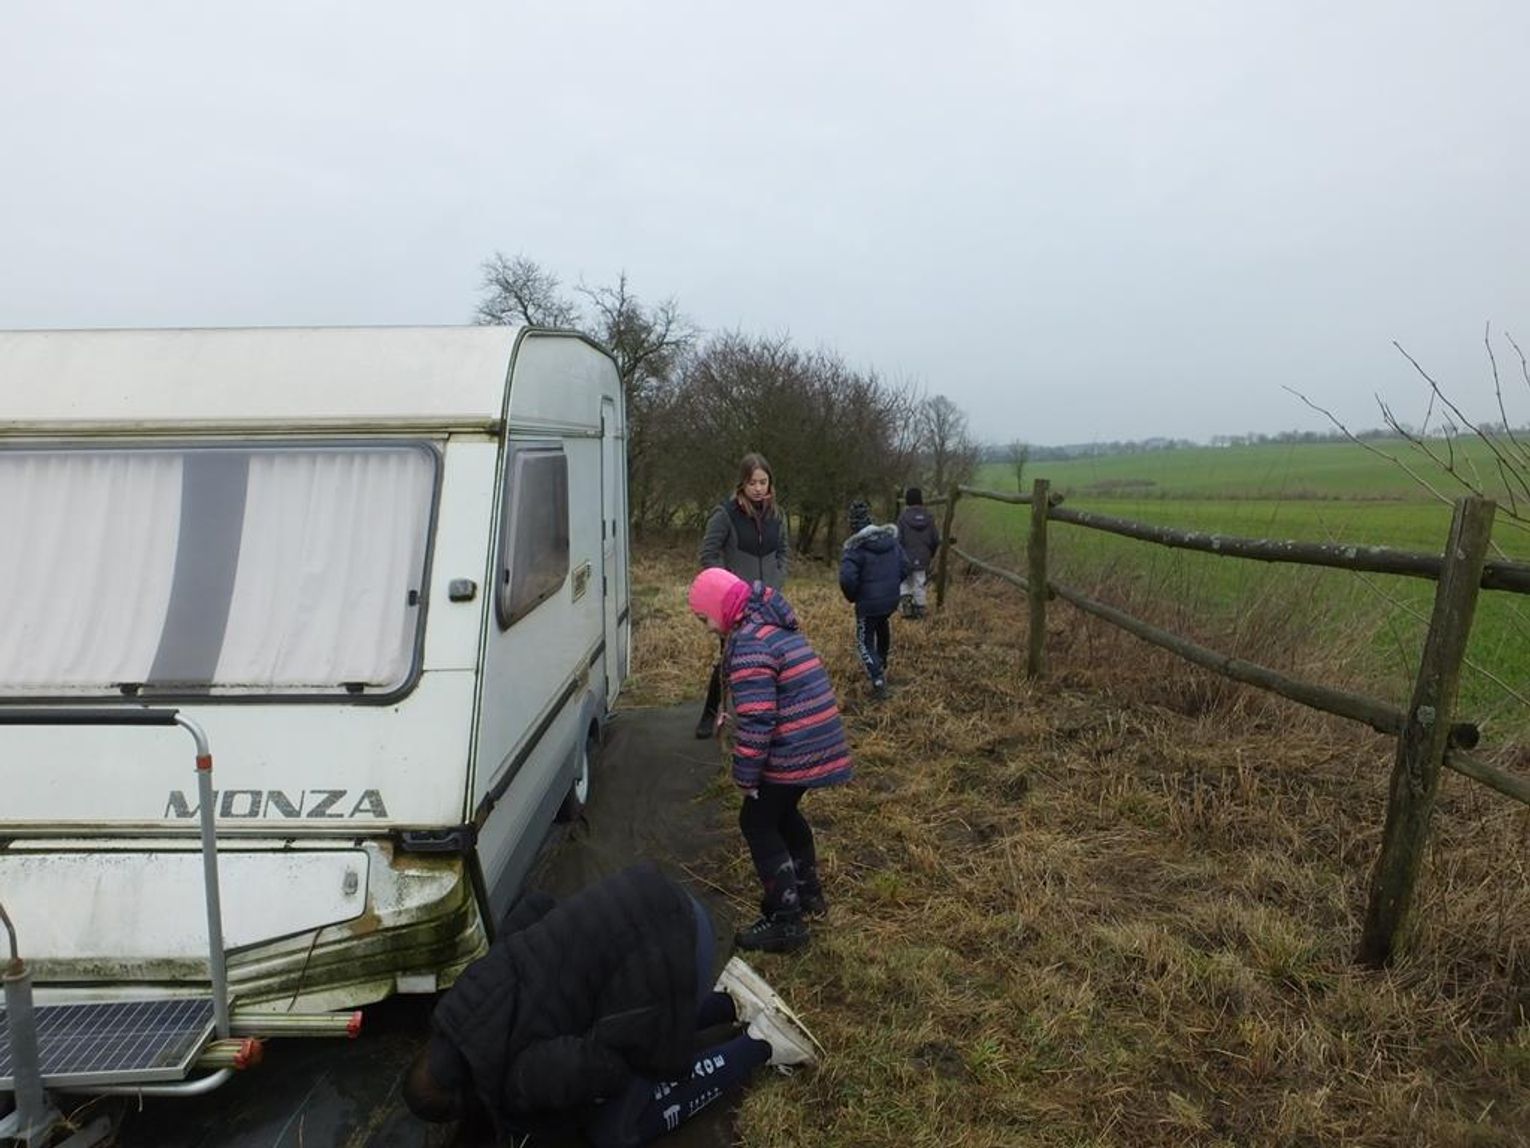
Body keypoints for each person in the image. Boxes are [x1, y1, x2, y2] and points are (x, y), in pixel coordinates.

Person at [402, 863, 821, 1148]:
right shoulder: (467, 995)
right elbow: (535, 906)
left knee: (614, 1131)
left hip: (680, 948)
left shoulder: (521, 1076)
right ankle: (731, 1002)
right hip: (657, 900)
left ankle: (761, 1043)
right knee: (615, 1015)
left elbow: (610, 1069)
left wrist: (554, 1110)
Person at [688, 568, 852, 954]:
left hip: (795, 748)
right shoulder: (769, 626)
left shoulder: (749, 643)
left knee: (757, 821)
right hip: (817, 740)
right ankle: (808, 894)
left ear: (720, 607)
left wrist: (746, 775)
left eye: (704, 618)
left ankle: (786, 920)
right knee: (783, 814)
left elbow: (759, 719)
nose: (707, 628)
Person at [694, 453, 790, 739]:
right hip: (736, 606)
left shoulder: (778, 515)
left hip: (769, 603)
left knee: (770, 660)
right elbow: (708, 554)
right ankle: (710, 714)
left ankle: (766, 717)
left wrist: (777, 581)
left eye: (763, 482)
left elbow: (784, 552)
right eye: (752, 483)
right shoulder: (725, 514)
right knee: (729, 660)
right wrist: (729, 589)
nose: (758, 488)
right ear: (742, 484)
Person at [838, 499, 911, 701]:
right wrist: (892, 585)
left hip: (868, 603)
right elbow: (905, 566)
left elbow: (847, 579)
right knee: (882, 622)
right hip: (891, 600)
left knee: (864, 642)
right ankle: (882, 662)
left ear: (853, 525)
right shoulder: (891, 542)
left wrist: (854, 597)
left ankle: (878, 679)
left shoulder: (854, 549)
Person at [896, 486, 941, 619]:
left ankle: (906, 608)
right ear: (921, 500)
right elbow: (935, 539)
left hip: (905, 556)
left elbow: (898, 539)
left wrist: (898, 555)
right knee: (919, 582)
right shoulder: (929, 517)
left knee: (905, 581)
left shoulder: (903, 518)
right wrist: (931, 553)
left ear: (907, 501)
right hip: (923, 556)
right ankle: (920, 610)